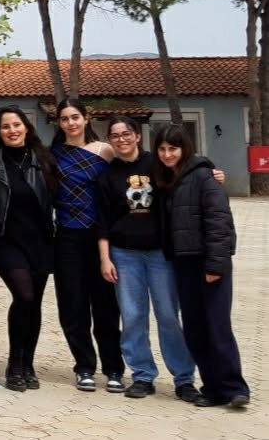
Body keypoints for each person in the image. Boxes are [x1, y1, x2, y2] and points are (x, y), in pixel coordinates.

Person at [96, 116, 198, 403]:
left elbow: (189, 172)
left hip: (160, 254)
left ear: (137, 135)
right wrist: (105, 259)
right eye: (115, 135)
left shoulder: (157, 163)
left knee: (168, 315)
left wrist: (213, 173)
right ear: (110, 140)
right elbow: (102, 221)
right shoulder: (107, 175)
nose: (121, 139)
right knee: (132, 316)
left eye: (126, 133)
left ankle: (184, 378)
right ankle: (142, 375)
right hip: (124, 255)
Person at [153, 124, 250, 409]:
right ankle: (212, 389)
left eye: (173, 148)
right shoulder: (166, 180)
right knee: (195, 329)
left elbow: (219, 222)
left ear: (185, 148)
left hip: (208, 262)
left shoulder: (204, 176)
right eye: (162, 149)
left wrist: (216, 265)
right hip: (182, 264)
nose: (167, 154)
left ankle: (235, 388)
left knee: (217, 327)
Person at [50, 100, 124, 393]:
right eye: (65, 118)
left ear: (86, 118)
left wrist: (207, 170)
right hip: (66, 236)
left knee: (106, 306)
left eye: (75, 117)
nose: (71, 123)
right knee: (73, 305)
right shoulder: (52, 155)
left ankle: (114, 368)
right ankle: (84, 367)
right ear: (59, 123)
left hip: (100, 237)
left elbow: (138, 168)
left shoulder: (105, 150)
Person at [0, 106, 58, 393]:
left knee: (34, 303)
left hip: (40, 240)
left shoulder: (43, 159)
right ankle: (14, 364)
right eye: (5, 126)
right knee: (24, 295)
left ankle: (28, 364)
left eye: (16, 125)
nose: (12, 130)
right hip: (6, 241)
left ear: (26, 127)